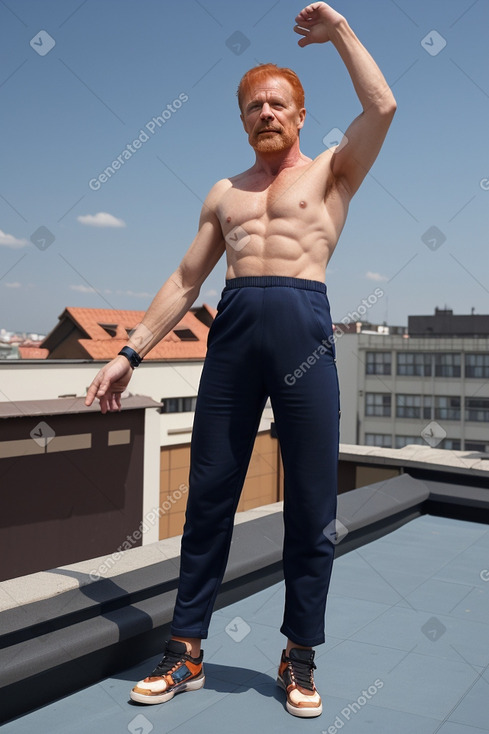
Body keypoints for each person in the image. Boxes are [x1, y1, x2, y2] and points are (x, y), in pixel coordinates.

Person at [85, 2, 396, 718]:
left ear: (299, 111)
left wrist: (340, 32)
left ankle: (299, 654)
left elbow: (381, 103)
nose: (264, 113)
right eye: (252, 106)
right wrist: (130, 350)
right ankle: (186, 646)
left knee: (313, 505)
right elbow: (186, 280)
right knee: (210, 498)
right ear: (242, 119)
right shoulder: (224, 193)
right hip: (232, 337)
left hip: (304, 332)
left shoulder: (330, 172)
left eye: (276, 103)